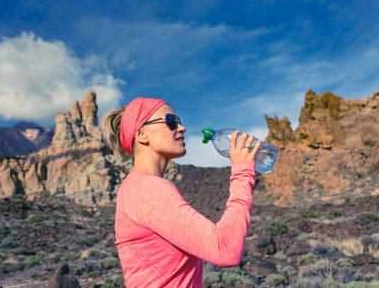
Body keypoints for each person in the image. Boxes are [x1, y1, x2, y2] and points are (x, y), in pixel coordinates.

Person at [100, 97, 262, 288]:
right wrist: (242, 172)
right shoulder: (146, 189)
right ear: (142, 134)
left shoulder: (137, 188)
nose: (182, 128)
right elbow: (225, 249)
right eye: (170, 121)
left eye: (179, 121)